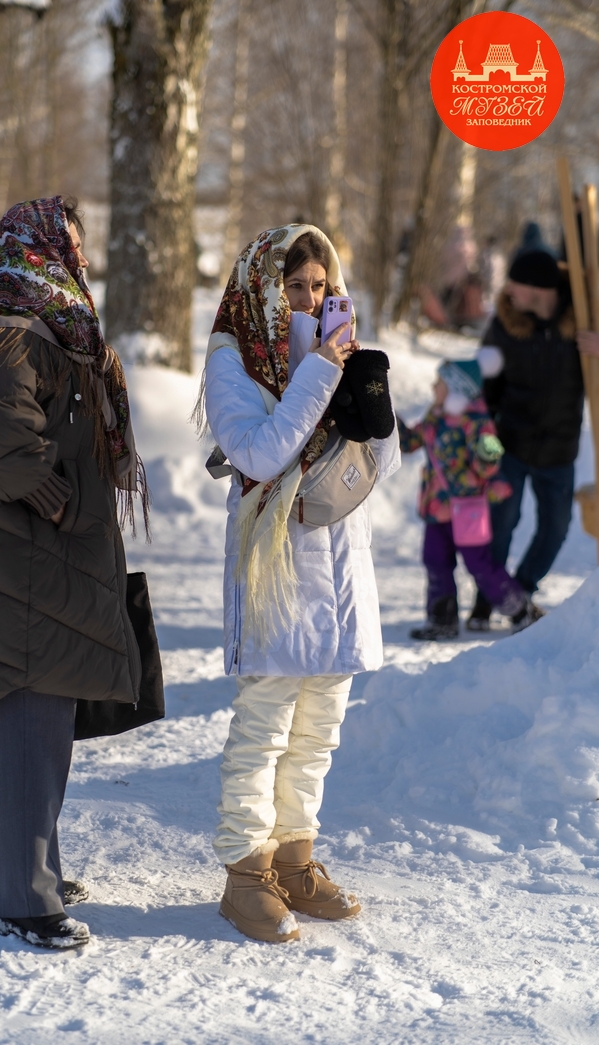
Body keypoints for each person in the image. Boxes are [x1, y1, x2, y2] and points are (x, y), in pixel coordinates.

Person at [0, 198, 147, 950]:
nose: (81, 255)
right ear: (41, 242)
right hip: (22, 555)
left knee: (20, 713)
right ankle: (26, 897)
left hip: (23, 554)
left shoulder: (24, 310)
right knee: (33, 714)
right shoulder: (13, 317)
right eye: (71, 241)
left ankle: (8, 872)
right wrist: (53, 492)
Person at [201, 225, 400, 943]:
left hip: (341, 563)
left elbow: (382, 467)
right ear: (264, 288)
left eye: (321, 286)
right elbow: (258, 453)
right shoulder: (233, 358)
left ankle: (294, 859)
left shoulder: (335, 351)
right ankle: (245, 872)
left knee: (318, 732)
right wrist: (316, 373)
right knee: (264, 729)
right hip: (276, 566)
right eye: (295, 287)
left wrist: (371, 400)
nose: (310, 300)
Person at [468, 247, 592, 630]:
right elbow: (486, 385)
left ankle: (518, 593)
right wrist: (481, 435)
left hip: (560, 448)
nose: (508, 292)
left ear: (539, 289)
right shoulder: (505, 323)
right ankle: (486, 601)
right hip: (511, 444)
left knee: (555, 529)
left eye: (515, 284)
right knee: (501, 523)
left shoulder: (584, 315)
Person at [397, 352, 541, 640]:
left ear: (456, 389)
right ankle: (442, 619)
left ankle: (520, 610)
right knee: (435, 561)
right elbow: (411, 442)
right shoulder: (435, 416)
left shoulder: (475, 421)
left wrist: (488, 454)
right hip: (436, 508)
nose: (433, 387)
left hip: (467, 508)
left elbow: (486, 467)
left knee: (479, 564)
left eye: (439, 382)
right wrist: (389, 420)